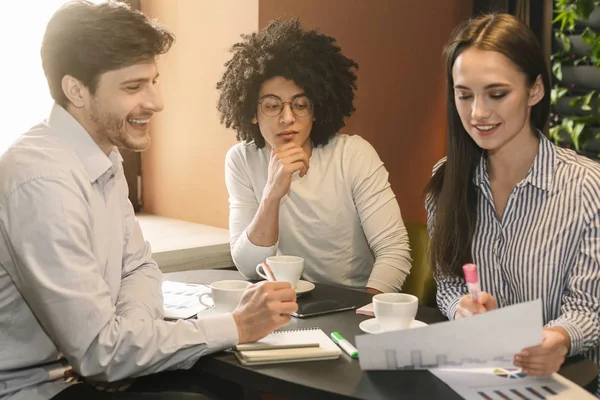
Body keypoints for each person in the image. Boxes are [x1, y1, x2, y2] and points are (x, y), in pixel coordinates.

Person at [0, 2, 297, 399]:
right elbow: (100, 354)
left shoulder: (102, 155)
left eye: (153, 81)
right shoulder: (41, 181)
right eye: (133, 86)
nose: (156, 101)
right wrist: (237, 325)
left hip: (89, 371)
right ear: (76, 90)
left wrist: (129, 335)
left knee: (219, 385)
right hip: (40, 389)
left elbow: (138, 267)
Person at [425, 13, 600, 396]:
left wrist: (558, 337)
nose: (477, 114)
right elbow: (448, 284)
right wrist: (461, 310)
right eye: (464, 94)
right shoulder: (446, 180)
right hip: (478, 381)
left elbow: (589, 308)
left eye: (497, 94)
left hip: (567, 383)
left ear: (535, 90)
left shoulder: (588, 187)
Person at [217, 19, 412, 295]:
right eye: (273, 105)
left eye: (300, 104)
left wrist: (363, 313)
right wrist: (272, 195)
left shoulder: (352, 154)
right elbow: (249, 268)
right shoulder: (242, 160)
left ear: (317, 108)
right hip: (285, 308)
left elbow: (394, 251)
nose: (288, 118)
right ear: (251, 110)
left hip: (352, 303)